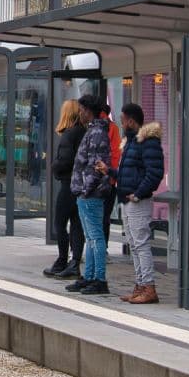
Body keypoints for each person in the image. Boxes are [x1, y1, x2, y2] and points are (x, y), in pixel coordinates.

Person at [97, 103, 164, 304]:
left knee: (141, 244)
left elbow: (155, 173)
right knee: (134, 245)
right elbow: (128, 174)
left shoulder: (147, 142)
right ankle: (140, 284)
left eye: (123, 119)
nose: (121, 122)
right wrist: (108, 171)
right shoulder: (132, 142)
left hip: (137, 201)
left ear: (131, 121)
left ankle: (149, 287)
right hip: (127, 199)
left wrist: (138, 193)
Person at [65, 94, 113, 295]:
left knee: (95, 236)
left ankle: (99, 278)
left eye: (82, 110)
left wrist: (86, 189)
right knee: (91, 237)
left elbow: (96, 165)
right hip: (87, 193)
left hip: (90, 193)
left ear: (88, 110)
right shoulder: (94, 131)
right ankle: (90, 276)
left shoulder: (96, 133)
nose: (80, 113)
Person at [44, 99, 86, 278]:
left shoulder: (69, 134)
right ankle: (75, 262)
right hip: (82, 185)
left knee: (60, 223)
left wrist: (54, 166)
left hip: (68, 184)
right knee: (77, 225)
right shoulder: (85, 132)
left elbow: (65, 161)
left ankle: (61, 260)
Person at [100, 104, 121, 244]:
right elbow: (116, 154)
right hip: (108, 181)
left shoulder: (94, 126)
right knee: (104, 217)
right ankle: (103, 249)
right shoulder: (112, 127)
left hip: (99, 180)